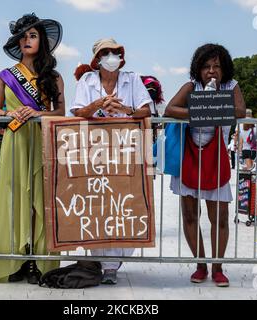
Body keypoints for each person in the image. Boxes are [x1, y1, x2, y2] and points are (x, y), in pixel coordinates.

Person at [0, 13, 65, 284]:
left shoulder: (54, 77)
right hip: (15, 142)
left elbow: (61, 111)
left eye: (33, 35)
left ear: (42, 41)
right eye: (23, 36)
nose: (27, 40)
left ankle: (38, 262)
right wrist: (11, 115)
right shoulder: (5, 76)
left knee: (40, 201)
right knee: (14, 199)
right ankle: (16, 258)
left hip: (42, 141)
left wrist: (38, 113)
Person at [71, 38, 152, 285]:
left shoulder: (132, 79)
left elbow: (146, 110)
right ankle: (103, 260)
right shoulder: (87, 81)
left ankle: (114, 262)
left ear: (121, 55)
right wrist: (98, 104)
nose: (111, 56)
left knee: (123, 204)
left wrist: (126, 109)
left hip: (125, 151)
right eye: (105, 53)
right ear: (97, 59)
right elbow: (76, 111)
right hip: (94, 151)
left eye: (114, 52)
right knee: (98, 204)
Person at [164, 43, 246, 287]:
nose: (211, 71)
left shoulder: (231, 86)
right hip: (189, 155)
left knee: (220, 216)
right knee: (190, 215)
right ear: (198, 69)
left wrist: (209, 106)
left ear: (225, 69)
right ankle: (200, 265)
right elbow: (170, 108)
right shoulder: (191, 86)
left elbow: (241, 110)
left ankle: (218, 267)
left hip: (217, 158)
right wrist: (201, 111)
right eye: (206, 66)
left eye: (217, 66)